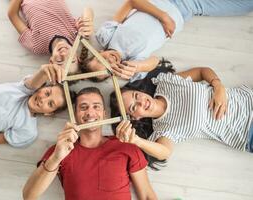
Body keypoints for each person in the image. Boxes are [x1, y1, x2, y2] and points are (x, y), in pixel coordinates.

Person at [23, 87, 158, 200]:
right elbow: (29, 195)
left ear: (104, 114)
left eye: (96, 106)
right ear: (75, 116)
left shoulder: (126, 145)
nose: (90, 112)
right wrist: (56, 157)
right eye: (83, 107)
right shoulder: (60, 149)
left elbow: (146, 196)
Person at [110, 60, 253, 163]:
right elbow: (164, 153)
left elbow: (202, 71)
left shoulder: (165, 83)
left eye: (136, 95)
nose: (141, 101)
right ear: (134, 118)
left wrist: (218, 85)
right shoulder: (164, 129)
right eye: (134, 107)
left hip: (248, 99)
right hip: (247, 132)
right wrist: (136, 140)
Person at [83, 0, 253, 82]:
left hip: (163, 2)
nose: (110, 61)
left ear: (98, 52)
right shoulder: (132, 65)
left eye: (102, 59)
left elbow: (131, 2)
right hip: (189, 7)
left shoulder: (106, 37)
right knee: (246, 5)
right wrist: (138, 66)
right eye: (109, 68)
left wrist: (162, 16)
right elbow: (155, 61)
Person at [0, 63, 73, 154]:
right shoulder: (23, 90)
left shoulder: (28, 130)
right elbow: (38, 78)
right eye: (47, 93)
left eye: (50, 104)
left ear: (49, 113)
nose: (43, 100)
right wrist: (45, 70)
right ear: (41, 88)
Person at [8, 0, 94, 73]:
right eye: (71, 60)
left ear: (51, 61)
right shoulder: (76, 35)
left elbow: (13, 15)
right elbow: (88, 9)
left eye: (60, 61)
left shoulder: (37, 46)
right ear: (77, 56)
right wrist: (88, 22)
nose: (64, 54)